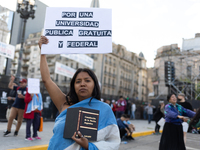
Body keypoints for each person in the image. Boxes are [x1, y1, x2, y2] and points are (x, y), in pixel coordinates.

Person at [39, 36, 120, 150]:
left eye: (87, 81)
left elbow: (113, 142)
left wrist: (88, 146)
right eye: (78, 81)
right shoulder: (64, 103)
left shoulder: (105, 109)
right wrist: (43, 53)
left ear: (94, 85)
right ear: (74, 86)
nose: (82, 84)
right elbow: (47, 80)